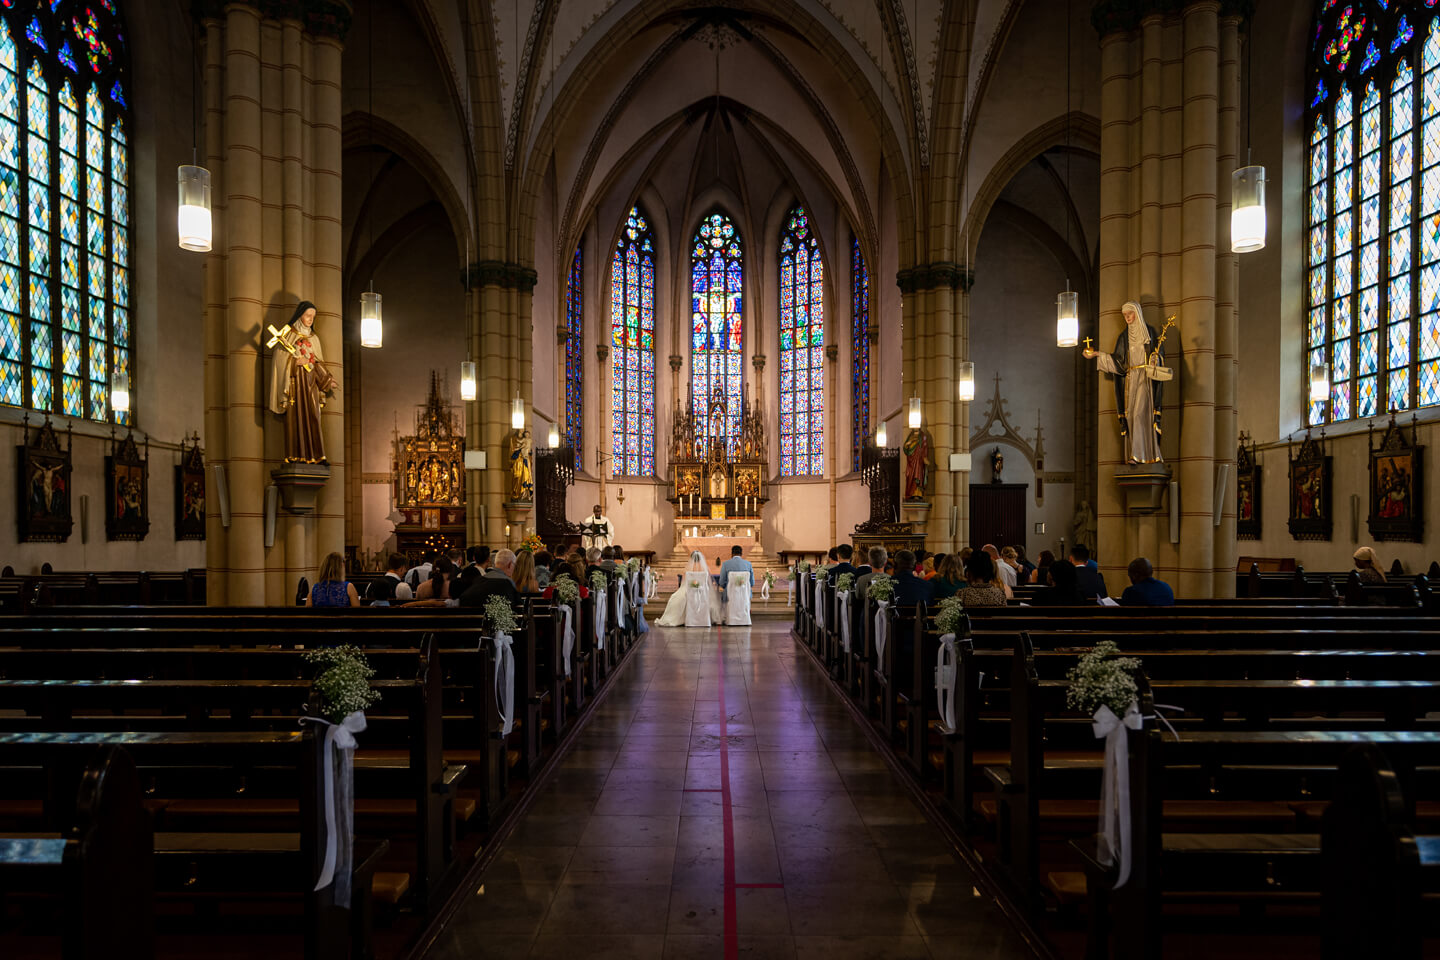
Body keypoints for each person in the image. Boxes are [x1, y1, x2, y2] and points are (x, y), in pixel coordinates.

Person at [1083, 300, 1169, 464]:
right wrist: (1096, 355)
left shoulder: (1149, 332)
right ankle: (1136, 454)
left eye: (1130, 314)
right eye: (1125, 315)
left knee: (1139, 414)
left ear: (1137, 313)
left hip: (1145, 378)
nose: (1127, 317)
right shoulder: (1124, 337)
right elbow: (1119, 363)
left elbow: (1158, 355)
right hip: (1130, 380)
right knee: (1130, 416)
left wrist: (1154, 360)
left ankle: (1141, 455)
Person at [267, 300, 337, 463]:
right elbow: (279, 360)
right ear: (300, 316)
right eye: (308, 315)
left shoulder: (315, 338)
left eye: (313, 316)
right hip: (294, 385)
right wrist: (293, 363)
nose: (311, 319)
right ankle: (295, 455)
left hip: (311, 384)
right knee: (295, 418)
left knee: (314, 416)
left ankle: (317, 455)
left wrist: (327, 379)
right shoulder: (287, 335)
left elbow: (318, 362)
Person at [658, 551, 722, 625]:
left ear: (691, 559)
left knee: (675, 598)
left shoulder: (688, 568)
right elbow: (708, 581)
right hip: (703, 590)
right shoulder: (705, 568)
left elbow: (684, 581)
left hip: (688, 589)